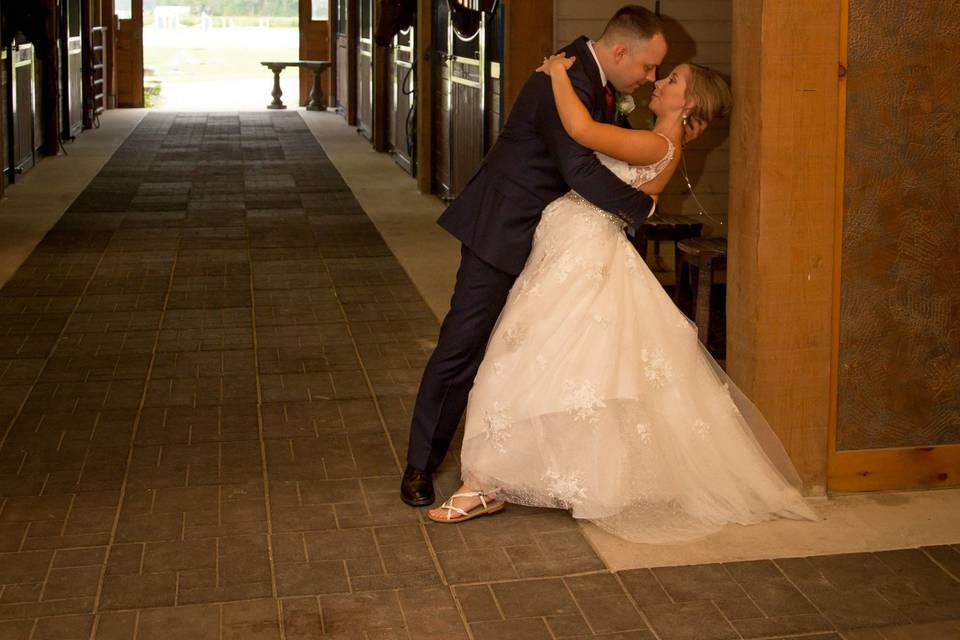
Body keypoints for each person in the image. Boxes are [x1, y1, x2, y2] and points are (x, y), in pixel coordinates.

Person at [426, 53, 818, 543]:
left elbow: (580, 130)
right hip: (568, 251)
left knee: (519, 358)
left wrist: (554, 73)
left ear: (688, 101)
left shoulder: (657, 142)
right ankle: (510, 475)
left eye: (672, 80)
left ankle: (484, 482)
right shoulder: (656, 139)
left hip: (582, 258)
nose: (661, 81)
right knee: (557, 366)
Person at [400, 6, 683, 507]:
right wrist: (642, 208)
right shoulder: (568, 77)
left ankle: (524, 467)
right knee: (463, 344)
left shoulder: (597, 82)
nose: (651, 76)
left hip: (556, 239)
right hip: (505, 230)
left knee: (533, 355)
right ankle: (420, 465)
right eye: (647, 67)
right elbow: (577, 166)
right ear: (619, 52)